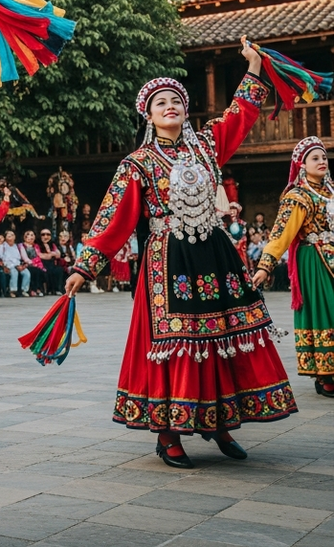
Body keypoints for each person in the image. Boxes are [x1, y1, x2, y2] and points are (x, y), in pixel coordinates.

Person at [66, 49, 297, 470]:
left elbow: (239, 115)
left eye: (175, 100)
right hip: (168, 259)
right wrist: (86, 265)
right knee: (176, 342)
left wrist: (255, 67)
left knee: (223, 338)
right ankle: (169, 433)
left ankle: (218, 420)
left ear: (185, 110)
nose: (169, 106)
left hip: (214, 253)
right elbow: (112, 216)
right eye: (160, 103)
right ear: (148, 116)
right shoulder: (136, 164)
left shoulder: (207, 146)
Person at [253, 137, 334, 398]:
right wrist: (265, 266)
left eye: (323, 157)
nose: (322, 161)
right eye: (315, 158)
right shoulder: (297, 197)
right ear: (301, 165)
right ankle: (325, 373)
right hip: (315, 262)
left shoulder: (331, 191)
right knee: (325, 312)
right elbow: (281, 234)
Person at [0, 230, 30, 297]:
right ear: (5, 238)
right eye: (9, 236)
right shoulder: (2, 247)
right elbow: (1, 258)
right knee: (14, 272)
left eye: (12, 235)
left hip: (18, 264)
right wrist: (13, 266)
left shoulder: (16, 246)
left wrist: (20, 265)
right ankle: (12, 291)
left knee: (27, 273)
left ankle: (24, 290)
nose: (11, 237)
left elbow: (18, 258)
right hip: (8, 265)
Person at [37, 228, 66, 294]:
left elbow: (58, 255)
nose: (45, 236)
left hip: (52, 263)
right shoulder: (37, 245)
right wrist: (51, 254)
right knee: (46, 271)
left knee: (59, 270)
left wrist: (49, 254)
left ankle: (57, 289)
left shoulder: (53, 244)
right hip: (41, 264)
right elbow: (40, 255)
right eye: (43, 234)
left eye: (48, 234)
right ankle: (48, 290)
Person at [21, 229, 47, 296]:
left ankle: (38, 289)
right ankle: (32, 289)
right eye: (28, 235)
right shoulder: (21, 246)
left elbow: (38, 255)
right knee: (34, 271)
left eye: (32, 235)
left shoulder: (36, 246)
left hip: (36, 264)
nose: (31, 237)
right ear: (25, 237)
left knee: (40, 271)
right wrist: (31, 263)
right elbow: (24, 257)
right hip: (27, 263)